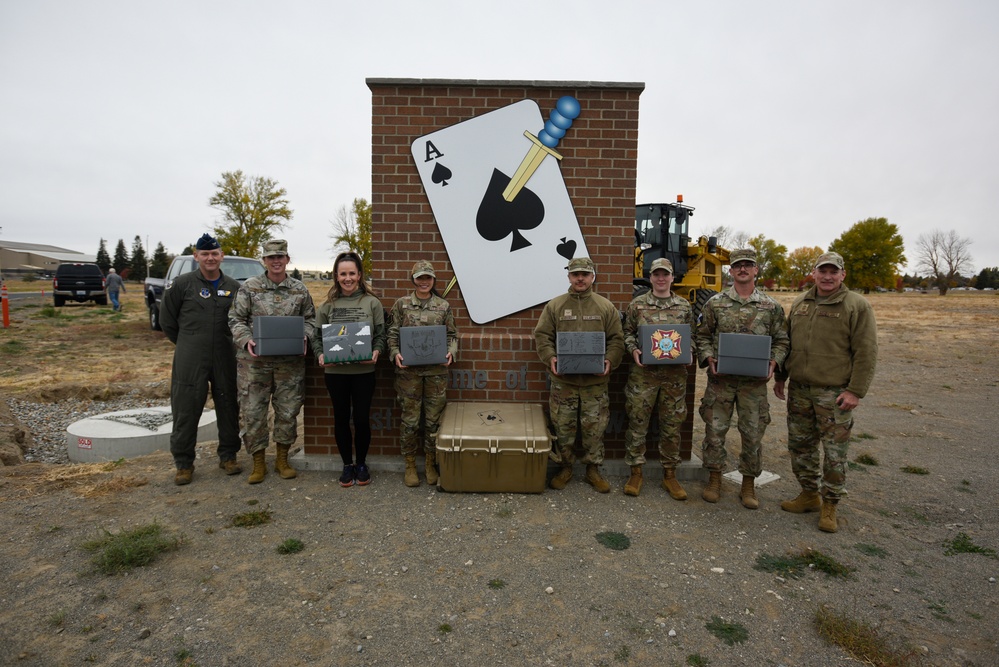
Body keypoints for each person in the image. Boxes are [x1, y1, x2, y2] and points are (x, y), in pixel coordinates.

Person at [774, 251, 878, 533]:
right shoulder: (801, 302)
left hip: (834, 394)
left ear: (842, 275)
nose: (828, 276)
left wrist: (855, 391)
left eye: (834, 272)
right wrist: (781, 377)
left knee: (834, 453)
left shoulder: (856, 305)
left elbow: (866, 351)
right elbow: (788, 342)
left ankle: (830, 503)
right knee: (800, 446)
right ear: (815, 273)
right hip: (800, 389)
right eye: (823, 271)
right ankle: (809, 494)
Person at [694, 248, 789, 508]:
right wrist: (708, 358)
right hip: (721, 382)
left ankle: (748, 484)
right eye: (738, 266)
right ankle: (714, 478)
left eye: (748, 265)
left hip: (753, 385)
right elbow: (702, 335)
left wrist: (774, 361)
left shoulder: (771, 306)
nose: (743, 269)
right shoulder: (715, 303)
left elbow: (782, 340)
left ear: (756, 270)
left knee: (753, 434)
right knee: (715, 431)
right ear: (731, 270)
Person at [534, 257, 625, 493]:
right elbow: (543, 336)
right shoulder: (555, 306)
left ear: (593, 276)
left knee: (594, 428)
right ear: (569, 277)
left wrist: (609, 361)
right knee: (563, 427)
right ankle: (566, 468)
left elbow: (617, 339)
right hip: (564, 382)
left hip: (595, 382)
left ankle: (592, 470)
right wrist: (550, 357)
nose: (580, 278)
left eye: (585, 274)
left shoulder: (605, 307)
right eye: (576, 274)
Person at [228, 239, 316, 484]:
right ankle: (258, 462)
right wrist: (247, 340)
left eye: (280, 257)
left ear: (288, 259)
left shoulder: (300, 289)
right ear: (264, 261)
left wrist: (305, 338)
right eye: (271, 257)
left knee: (287, 411)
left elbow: (311, 319)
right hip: (254, 363)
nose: (276, 261)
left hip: (289, 363)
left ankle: (282, 459)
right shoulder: (249, 288)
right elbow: (235, 319)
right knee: (253, 411)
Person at [159, 233, 243, 485]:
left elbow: (241, 320)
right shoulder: (182, 284)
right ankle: (184, 464)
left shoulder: (234, 287)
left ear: (221, 256)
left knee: (229, 406)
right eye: (204, 254)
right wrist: (189, 342)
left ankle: (228, 456)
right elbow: (167, 321)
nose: (210, 258)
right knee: (186, 408)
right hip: (190, 356)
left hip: (225, 355)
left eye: (214, 253)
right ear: (196, 256)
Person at [621, 258, 696, 499]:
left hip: (674, 377)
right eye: (657, 274)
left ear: (672, 277)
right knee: (637, 423)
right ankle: (635, 472)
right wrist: (633, 349)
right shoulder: (638, 305)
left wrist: (690, 351)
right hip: (643, 376)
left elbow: (692, 336)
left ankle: (670, 475)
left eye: (665, 274)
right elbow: (627, 333)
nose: (661, 278)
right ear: (650, 278)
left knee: (672, 426)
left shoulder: (684, 306)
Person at [311, 252, 386, 487]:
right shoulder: (327, 306)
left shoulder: (372, 303)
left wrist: (376, 351)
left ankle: (361, 464)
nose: (347, 278)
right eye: (343, 274)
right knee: (341, 419)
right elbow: (316, 338)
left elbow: (381, 336)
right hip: (336, 374)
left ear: (360, 275)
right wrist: (321, 354)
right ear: (336, 276)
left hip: (363, 372)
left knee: (362, 419)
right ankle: (346, 465)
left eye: (352, 273)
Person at [386, 260, 458, 487]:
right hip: (409, 374)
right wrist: (395, 353)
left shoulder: (443, 306)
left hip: (436, 372)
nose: (424, 282)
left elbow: (452, 335)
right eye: (420, 277)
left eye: (428, 278)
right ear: (413, 279)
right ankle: (409, 464)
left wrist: (451, 352)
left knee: (433, 421)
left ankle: (430, 462)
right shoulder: (402, 304)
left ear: (433, 280)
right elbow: (392, 333)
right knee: (410, 421)